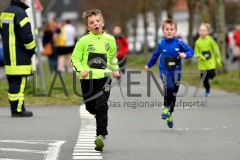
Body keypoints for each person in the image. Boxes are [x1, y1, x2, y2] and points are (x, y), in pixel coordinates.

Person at [71, 9, 119, 151]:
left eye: (98, 21)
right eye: (91, 23)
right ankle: (96, 113)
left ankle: (100, 136)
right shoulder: (83, 41)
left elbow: (112, 57)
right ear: (87, 27)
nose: (95, 24)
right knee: (91, 107)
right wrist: (81, 70)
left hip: (104, 78)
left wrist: (115, 69)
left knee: (101, 105)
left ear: (102, 23)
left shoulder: (110, 39)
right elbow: (75, 58)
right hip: (88, 79)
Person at [144, 19, 194, 128]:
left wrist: (185, 55)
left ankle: (170, 113)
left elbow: (191, 51)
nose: (169, 31)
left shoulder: (179, 42)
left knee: (174, 94)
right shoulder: (161, 44)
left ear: (175, 31)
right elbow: (155, 56)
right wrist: (149, 65)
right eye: (167, 29)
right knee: (169, 87)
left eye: (172, 29)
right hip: (164, 71)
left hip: (176, 72)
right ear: (163, 31)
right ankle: (166, 107)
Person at [0, 0, 36, 117]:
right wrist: (32, 49)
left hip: (8, 57)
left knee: (13, 84)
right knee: (20, 85)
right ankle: (19, 110)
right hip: (20, 56)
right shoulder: (20, 13)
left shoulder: (4, 13)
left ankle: (14, 108)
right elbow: (26, 36)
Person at [194, 23, 222, 97]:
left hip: (210, 63)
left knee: (211, 74)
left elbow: (216, 50)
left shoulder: (211, 40)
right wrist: (200, 56)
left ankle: (212, 76)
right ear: (198, 31)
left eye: (204, 30)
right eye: (201, 30)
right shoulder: (197, 42)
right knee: (204, 79)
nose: (202, 32)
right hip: (202, 64)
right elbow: (196, 53)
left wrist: (218, 60)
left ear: (207, 32)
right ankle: (207, 90)